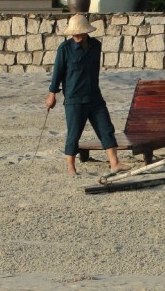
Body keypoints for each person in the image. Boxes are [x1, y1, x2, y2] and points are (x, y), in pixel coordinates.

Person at [45, 14, 129, 176]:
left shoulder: (96, 46)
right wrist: (52, 94)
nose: (75, 35)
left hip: (95, 97)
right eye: (73, 33)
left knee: (106, 129)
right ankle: (71, 166)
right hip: (74, 99)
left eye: (79, 32)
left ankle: (114, 163)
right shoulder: (65, 49)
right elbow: (58, 73)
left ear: (86, 32)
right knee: (74, 133)